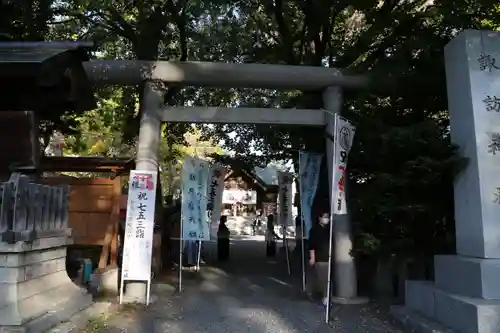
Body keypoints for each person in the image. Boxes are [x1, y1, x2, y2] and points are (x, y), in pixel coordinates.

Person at [308, 212, 331, 307]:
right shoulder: (315, 230)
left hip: (327, 257)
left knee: (324, 278)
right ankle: (324, 297)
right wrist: (312, 257)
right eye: (324, 217)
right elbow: (311, 245)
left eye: (327, 217)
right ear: (319, 218)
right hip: (320, 257)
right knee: (323, 278)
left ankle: (323, 295)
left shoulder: (328, 230)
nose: (327, 219)